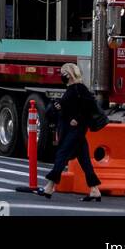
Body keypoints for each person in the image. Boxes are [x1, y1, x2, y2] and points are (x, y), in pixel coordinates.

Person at [38, 63, 102, 202]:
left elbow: (89, 106)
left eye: (63, 73)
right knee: (84, 160)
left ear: (69, 74)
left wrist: (77, 119)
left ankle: (50, 186)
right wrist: (60, 107)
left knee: (61, 154)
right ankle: (94, 189)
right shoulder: (72, 89)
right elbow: (72, 107)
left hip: (75, 130)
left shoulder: (78, 88)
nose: (61, 76)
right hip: (73, 130)